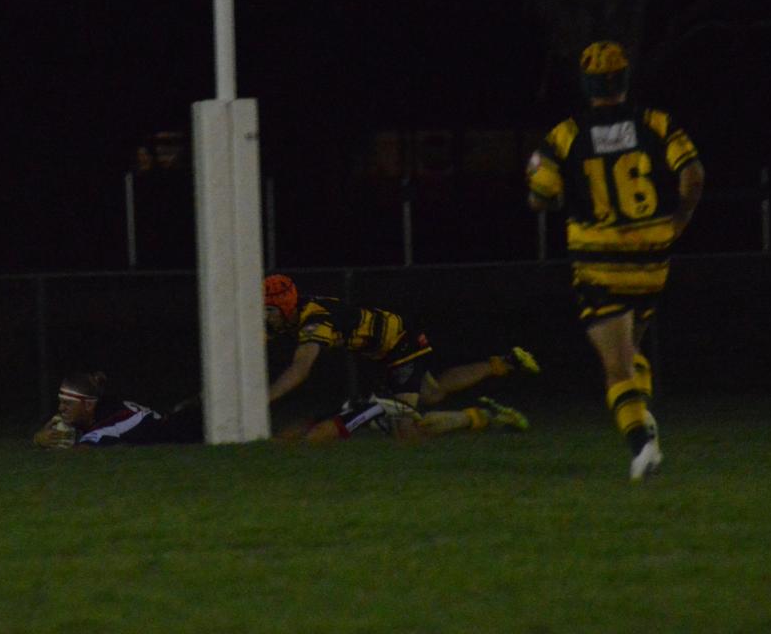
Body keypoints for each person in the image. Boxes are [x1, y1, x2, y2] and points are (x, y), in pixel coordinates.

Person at [526, 40, 704, 481]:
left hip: (600, 260)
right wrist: (679, 219)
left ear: (586, 84)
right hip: (650, 258)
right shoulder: (655, 123)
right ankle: (645, 426)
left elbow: (541, 197)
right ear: (624, 80)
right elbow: (694, 172)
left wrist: (538, 183)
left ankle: (641, 447)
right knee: (631, 350)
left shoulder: (566, 134)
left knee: (615, 366)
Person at [262, 274, 538, 443]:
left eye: (269, 310)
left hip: (398, 343)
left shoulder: (315, 320)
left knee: (409, 432)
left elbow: (301, 369)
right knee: (434, 392)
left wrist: (263, 399)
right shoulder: (289, 315)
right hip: (385, 347)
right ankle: (504, 362)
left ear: (285, 307)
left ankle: (487, 417)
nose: (265, 315)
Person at [32, 370, 202, 448]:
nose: (61, 408)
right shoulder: (97, 409)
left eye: (68, 403)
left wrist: (43, 443)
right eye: (61, 402)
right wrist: (39, 437)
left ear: (89, 405)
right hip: (169, 418)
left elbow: (82, 453)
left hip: (183, 429)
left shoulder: (110, 422)